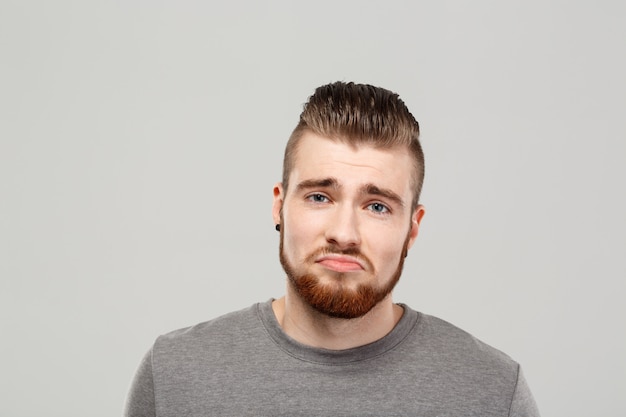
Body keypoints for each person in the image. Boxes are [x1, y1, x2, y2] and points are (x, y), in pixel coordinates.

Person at [124, 81, 540, 416]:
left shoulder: (492, 391)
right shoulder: (176, 374)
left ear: (412, 228)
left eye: (377, 206)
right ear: (279, 206)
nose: (344, 233)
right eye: (320, 197)